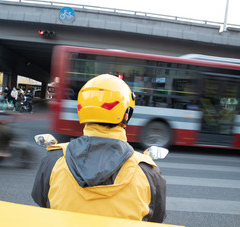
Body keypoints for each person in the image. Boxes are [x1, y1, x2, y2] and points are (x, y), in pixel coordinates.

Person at [31, 74, 166, 223]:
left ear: (82, 110)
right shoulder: (148, 171)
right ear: (126, 115)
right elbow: (156, 218)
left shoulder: (54, 159)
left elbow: (42, 202)